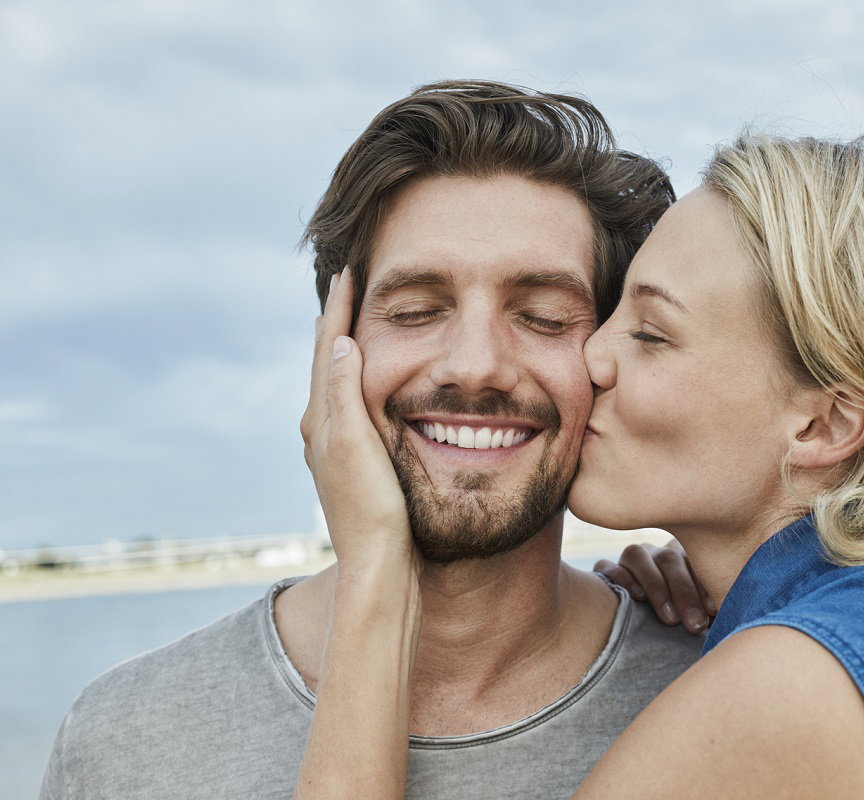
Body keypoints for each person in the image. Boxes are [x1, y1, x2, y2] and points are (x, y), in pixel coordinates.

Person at [296, 129, 864, 797]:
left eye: (651, 333)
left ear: (824, 424)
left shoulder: (782, 692)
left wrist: (376, 572)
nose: (592, 359)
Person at [38, 81, 712, 800]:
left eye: (543, 316)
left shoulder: (720, 685)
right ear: (334, 344)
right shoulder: (122, 741)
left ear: (608, 359)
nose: (474, 365)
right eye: (417, 310)